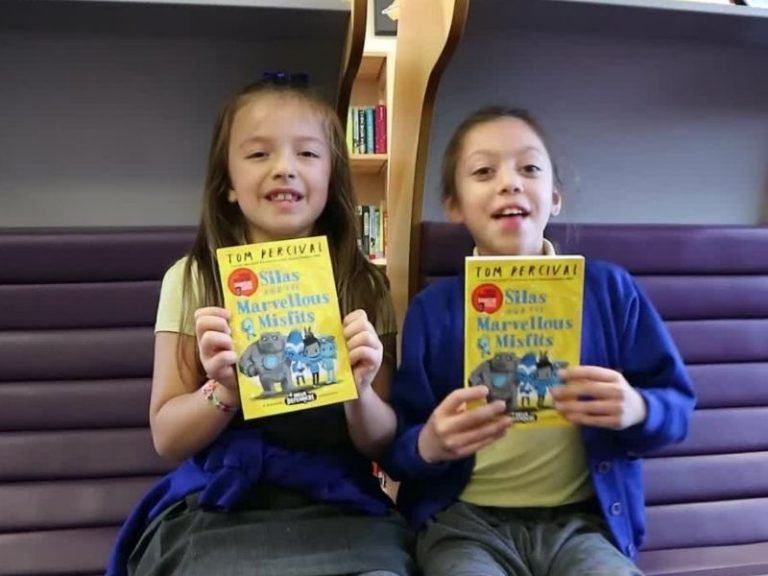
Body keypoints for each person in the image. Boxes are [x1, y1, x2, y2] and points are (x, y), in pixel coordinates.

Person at [107, 78, 414, 576]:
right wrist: (225, 390)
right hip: (219, 503)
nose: (284, 168)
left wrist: (359, 391)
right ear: (227, 182)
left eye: (307, 153)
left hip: (339, 504)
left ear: (332, 176)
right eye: (258, 154)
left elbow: (383, 445)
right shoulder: (192, 279)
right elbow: (167, 436)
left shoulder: (364, 285)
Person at [381, 106, 696, 576]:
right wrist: (428, 444)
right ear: (454, 206)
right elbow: (399, 448)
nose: (510, 182)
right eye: (484, 172)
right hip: (463, 525)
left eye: (529, 168)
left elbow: (677, 407)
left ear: (554, 196)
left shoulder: (610, 291)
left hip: (582, 525)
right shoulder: (434, 310)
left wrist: (638, 409)